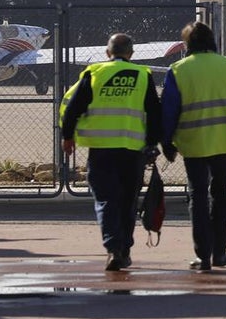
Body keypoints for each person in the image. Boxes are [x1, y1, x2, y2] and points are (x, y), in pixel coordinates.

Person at [60, 33, 161, 272]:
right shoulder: (143, 76)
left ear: (107, 53)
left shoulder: (94, 73)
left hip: (102, 149)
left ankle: (114, 248)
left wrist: (67, 136)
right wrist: (153, 144)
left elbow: (73, 107)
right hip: (133, 150)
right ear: (132, 54)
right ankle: (125, 249)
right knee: (128, 201)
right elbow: (154, 114)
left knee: (106, 200)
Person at [161, 21, 226, 271]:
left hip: (193, 142)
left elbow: (168, 111)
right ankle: (220, 251)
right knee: (221, 195)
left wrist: (167, 142)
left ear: (187, 45)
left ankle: (202, 254)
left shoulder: (178, 70)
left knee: (198, 195)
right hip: (225, 139)